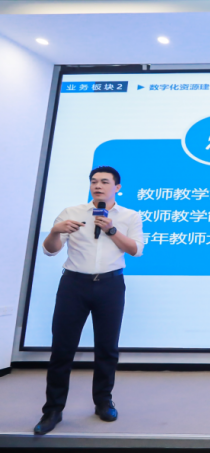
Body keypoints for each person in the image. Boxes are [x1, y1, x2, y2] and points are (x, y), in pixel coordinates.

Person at [33, 167, 144, 436]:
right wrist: (54, 231)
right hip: (74, 285)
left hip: (110, 286)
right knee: (62, 349)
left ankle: (103, 402)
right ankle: (53, 409)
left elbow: (136, 250)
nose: (98, 186)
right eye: (94, 181)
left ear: (117, 187)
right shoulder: (72, 212)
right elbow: (50, 250)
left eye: (105, 182)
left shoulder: (130, 216)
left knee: (107, 348)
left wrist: (111, 229)